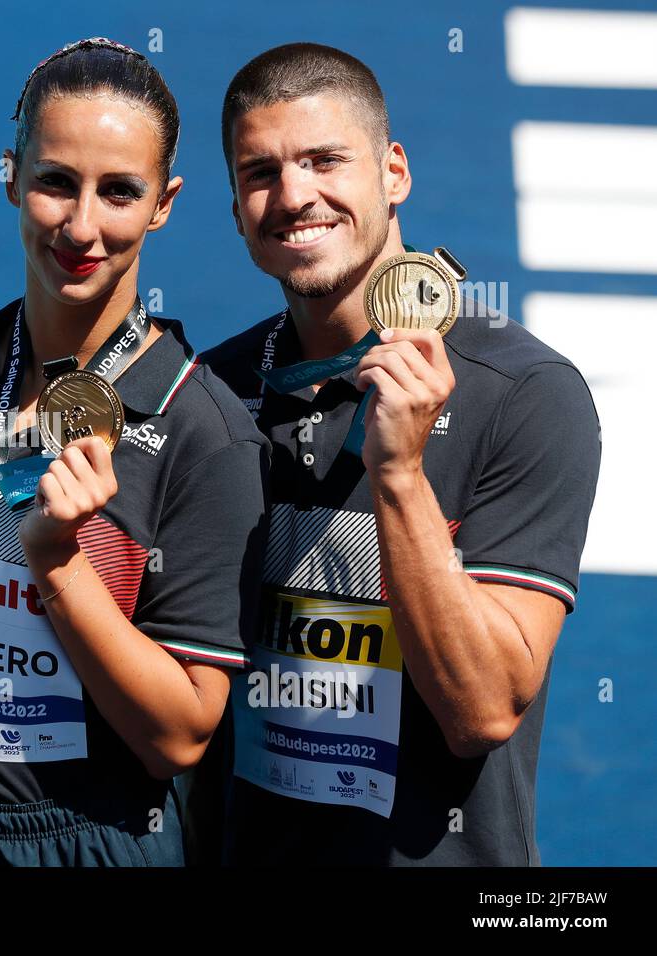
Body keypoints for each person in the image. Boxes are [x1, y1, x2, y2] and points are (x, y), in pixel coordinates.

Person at [0, 37, 268, 866]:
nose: (82, 225)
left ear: (165, 203)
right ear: (11, 176)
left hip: (79, 846)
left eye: (120, 193)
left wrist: (61, 563)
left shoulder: (203, 434)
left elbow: (178, 737)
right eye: (55, 183)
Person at [202, 42, 602, 865]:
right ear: (236, 208)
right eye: (260, 172)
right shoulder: (211, 393)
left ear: (394, 172)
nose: (294, 195)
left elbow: (482, 710)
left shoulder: (524, 394)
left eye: (324, 160)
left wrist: (399, 475)